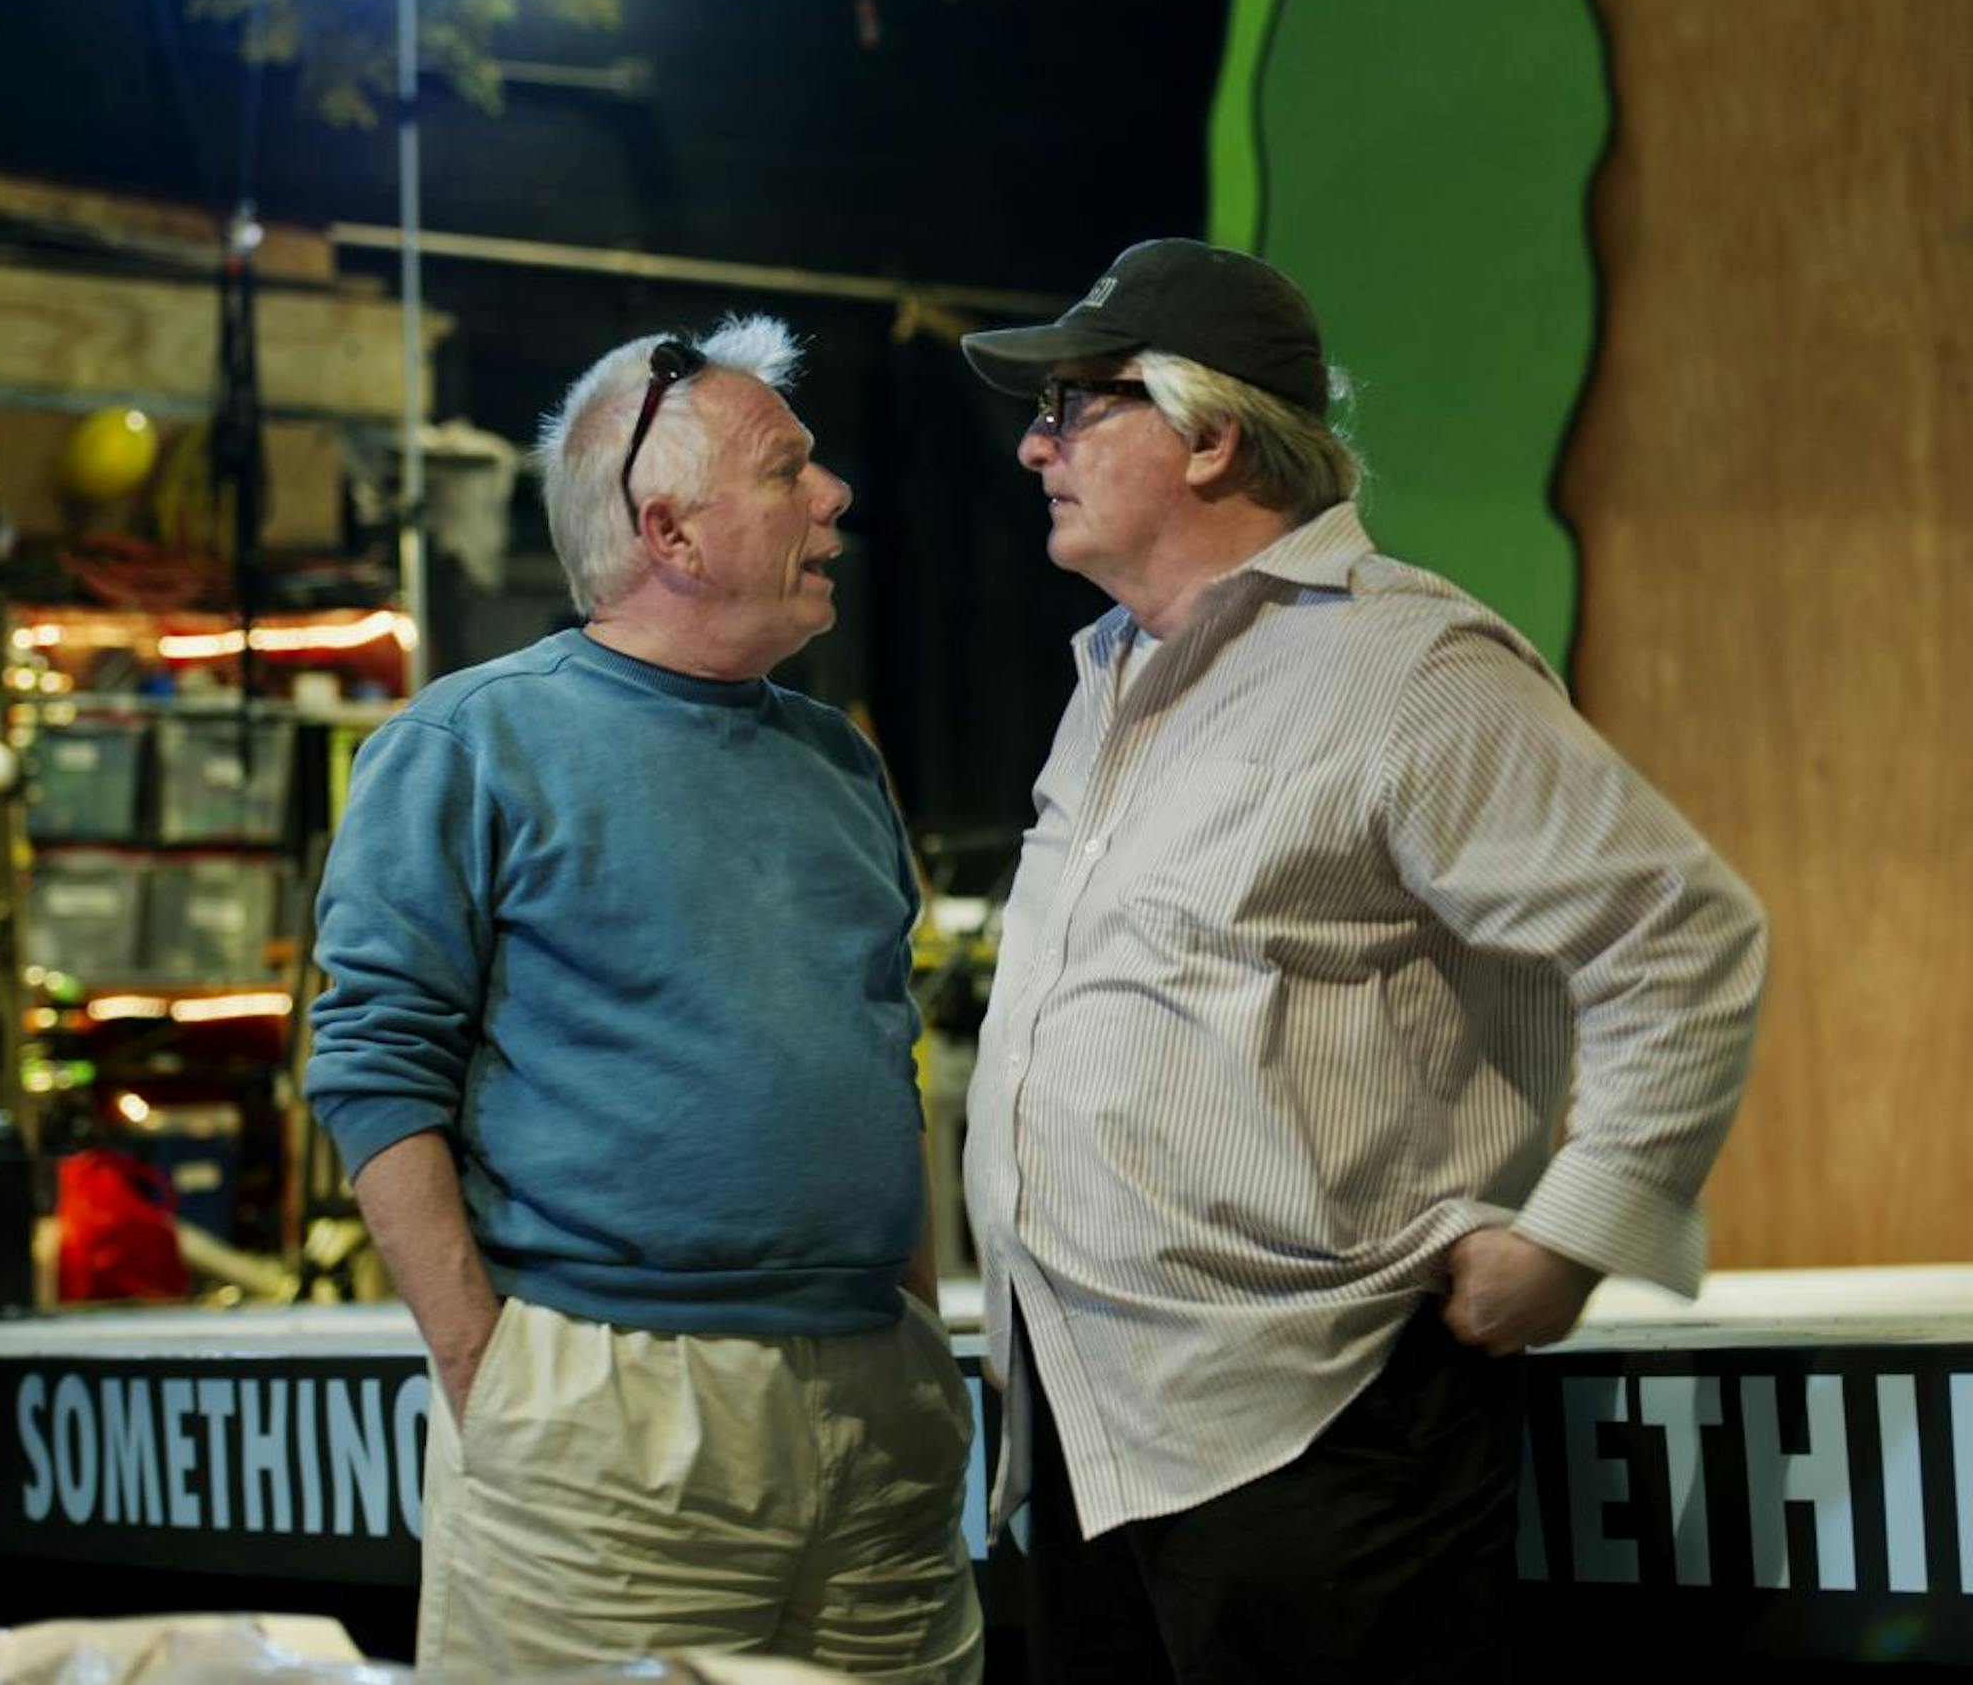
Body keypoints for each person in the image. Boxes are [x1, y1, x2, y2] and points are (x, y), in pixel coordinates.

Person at [958, 239, 1767, 1684]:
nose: (1036, 444)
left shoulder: (1409, 666)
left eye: (1078, 406)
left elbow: (1680, 940)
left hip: (1317, 1433)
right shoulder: (1113, 674)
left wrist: (1577, 1231)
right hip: (1099, 1431)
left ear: (1208, 434)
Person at [305, 316, 983, 1683]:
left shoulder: (839, 764)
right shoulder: (467, 745)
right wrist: (487, 1373)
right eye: (791, 470)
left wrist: (911, 1330)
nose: (836, 494)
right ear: (668, 531)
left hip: (875, 1400)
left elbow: (877, 1052)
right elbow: (375, 1064)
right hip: (610, 1415)